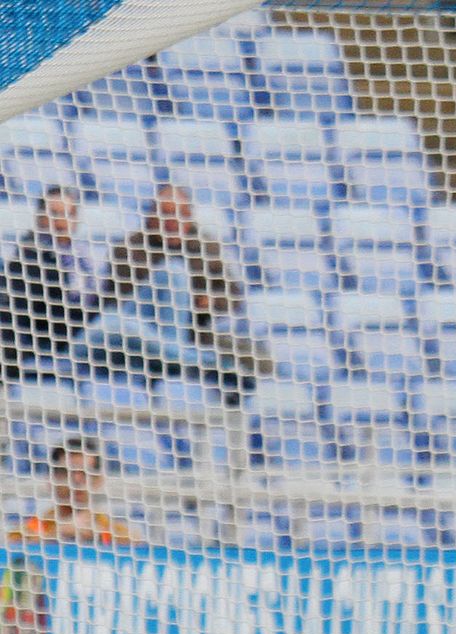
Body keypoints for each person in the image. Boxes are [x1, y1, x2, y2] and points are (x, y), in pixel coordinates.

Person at [74, 184, 269, 400]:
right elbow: (124, 303)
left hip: (192, 331)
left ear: (189, 217)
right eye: (165, 213)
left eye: (180, 214)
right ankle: (203, 364)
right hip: (141, 331)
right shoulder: (128, 249)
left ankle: (191, 363)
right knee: (170, 275)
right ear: (151, 216)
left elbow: (232, 295)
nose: (172, 221)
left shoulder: (207, 247)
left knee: (256, 355)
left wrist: (210, 301)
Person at [0, 186, 95, 380]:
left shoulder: (82, 252)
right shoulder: (30, 255)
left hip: (92, 324)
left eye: (67, 214)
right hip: (64, 335)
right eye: (54, 214)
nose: (61, 221)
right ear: (40, 218)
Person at [10, 436, 138, 546]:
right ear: (50, 479)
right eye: (67, 472)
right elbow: (12, 557)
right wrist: (59, 533)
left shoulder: (119, 533)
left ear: (99, 480)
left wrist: (99, 537)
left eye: (86, 472)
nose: (77, 480)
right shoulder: (27, 532)